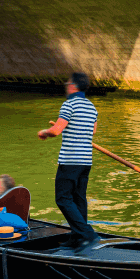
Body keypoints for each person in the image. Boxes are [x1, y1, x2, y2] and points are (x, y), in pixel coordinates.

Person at [37, 72, 99, 250]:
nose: (66, 86)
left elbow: (56, 131)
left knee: (63, 198)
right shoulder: (92, 108)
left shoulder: (69, 105)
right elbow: (92, 132)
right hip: (86, 161)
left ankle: (87, 234)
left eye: (68, 83)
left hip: (71, 159)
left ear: (73, 86)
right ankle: (77, 237)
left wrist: (44, 133)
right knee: (79, 199)